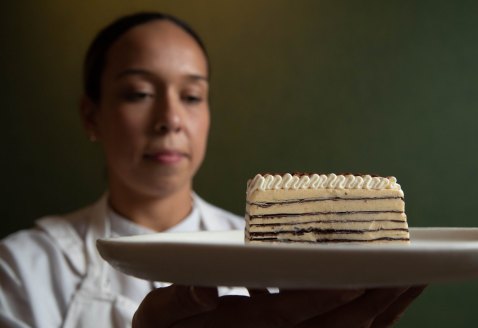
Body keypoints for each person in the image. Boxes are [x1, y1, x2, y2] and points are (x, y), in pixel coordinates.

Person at [0, 12, 425, 328]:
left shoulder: (276, 258)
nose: (170, 118)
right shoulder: (24, 267)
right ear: (91, 116)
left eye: (191, 96)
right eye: (140, 93)